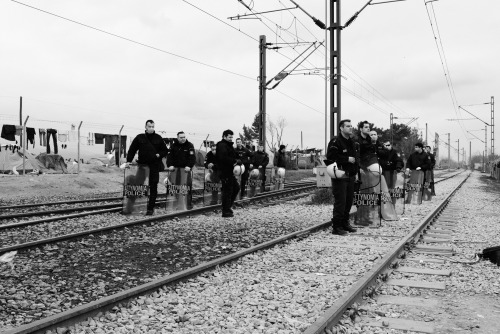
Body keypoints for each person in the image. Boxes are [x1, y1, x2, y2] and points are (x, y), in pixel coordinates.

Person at [126, 120, 168, 215]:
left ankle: (150, 209)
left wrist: (159, 155)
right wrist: (128, 161)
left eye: (153, 126)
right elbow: (132, 149)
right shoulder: (140, 137)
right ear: (145, 127)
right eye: (149, 126)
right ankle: (130, 207)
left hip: (154, 166)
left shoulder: (158, 138)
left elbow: (165, 150)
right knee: (138, 186)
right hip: (142, 165)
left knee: (153, 187)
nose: (151, 128)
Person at [327, 119, 359, 235]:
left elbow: (356, 159)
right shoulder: (335, 142)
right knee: (341, 202)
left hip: (350, 175)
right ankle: (337, 226)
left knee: (349, 201)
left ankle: (345, 223)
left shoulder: (352, 142)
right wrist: (346, 159)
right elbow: (330, 158)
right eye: (347, 126)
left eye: (351, 126)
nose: (350, 128)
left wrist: (355, 173)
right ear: (341, 128)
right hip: (340, 174)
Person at [215, 130, 241, 217]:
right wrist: (234, 161)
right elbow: (223, 158)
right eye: (229, 137)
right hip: (224, 171)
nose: (231, 139)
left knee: (236, 188)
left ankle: (227, 207)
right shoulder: (222, 145)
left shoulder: (229, 146)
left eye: (231, 137)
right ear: (224, 136)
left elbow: (234, 155)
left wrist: (238, 160)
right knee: (227, 191)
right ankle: (225, 211)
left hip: (230, 171)